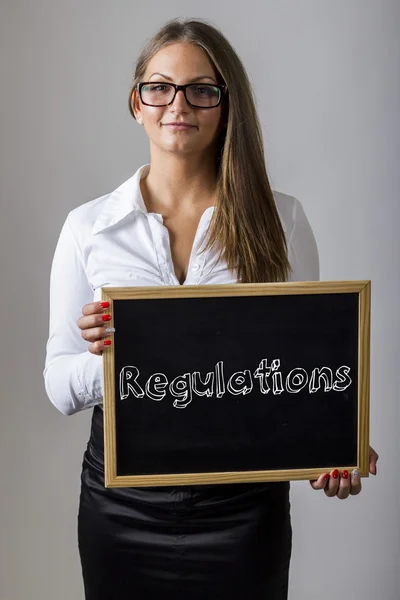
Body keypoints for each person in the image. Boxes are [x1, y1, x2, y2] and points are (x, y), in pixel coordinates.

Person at [44, 18, 378, 600]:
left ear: (226, 106)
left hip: (244, 511)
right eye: (160, 87)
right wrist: (112, 359)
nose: (179, 104)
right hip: (120, 506)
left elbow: (300, 377)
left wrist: (333, 446)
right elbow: (57, 382)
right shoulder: (87, 227)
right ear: (136, 103)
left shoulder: (282, 219)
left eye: (202, 89)